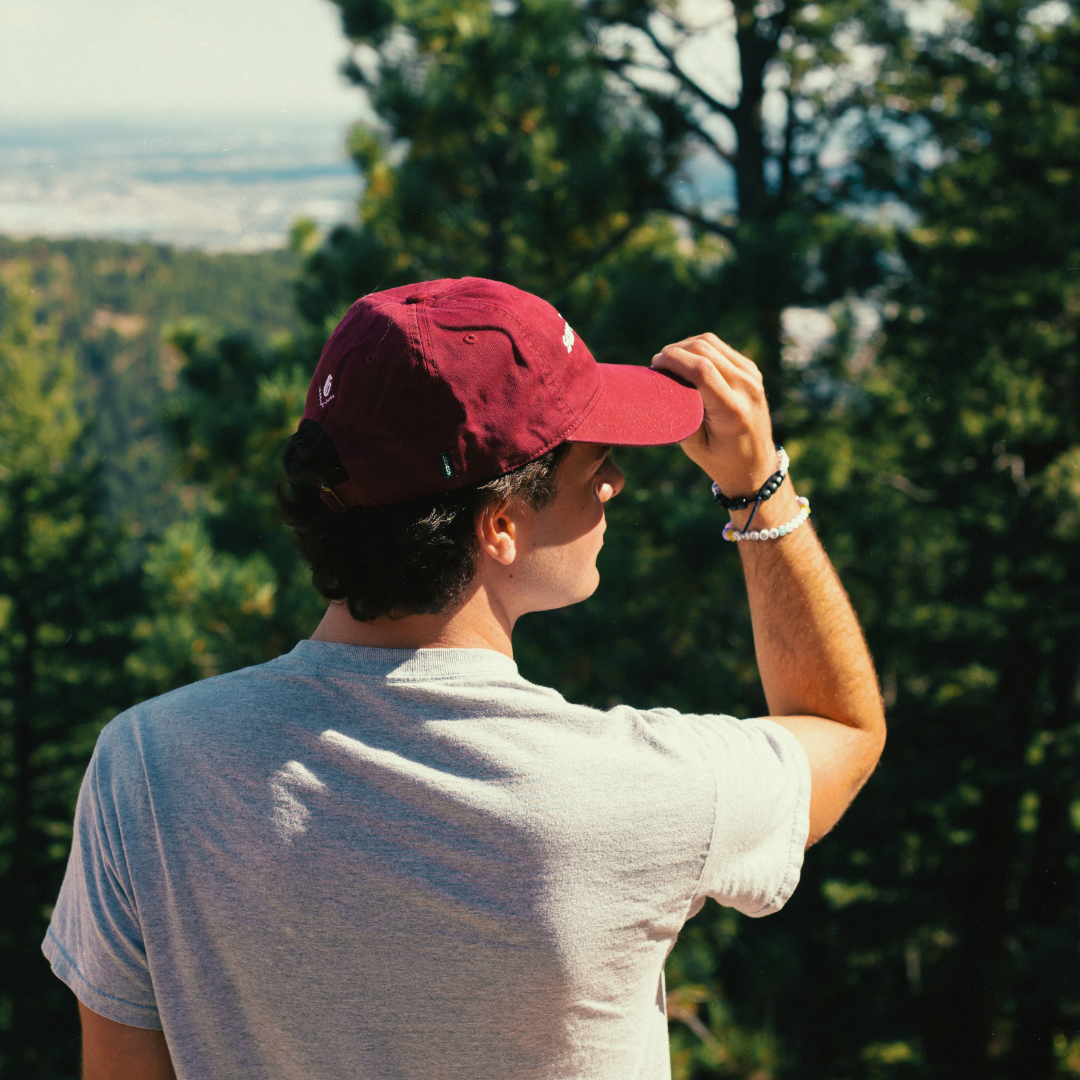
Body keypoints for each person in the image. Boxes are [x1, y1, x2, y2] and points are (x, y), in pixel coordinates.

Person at [44, 278, 885, 1080]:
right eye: (595, 461)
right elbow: (843, 729)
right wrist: (759, 490)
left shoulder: (149, 768)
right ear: (501, 524)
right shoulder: (642, 791)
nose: (616, 482)